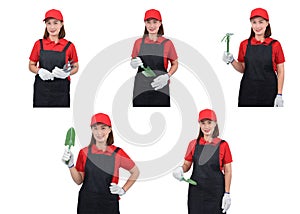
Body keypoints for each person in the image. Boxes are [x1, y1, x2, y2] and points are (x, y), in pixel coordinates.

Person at [62, 113, 140, 214]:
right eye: (95, 128)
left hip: (109, 205)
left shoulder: (118, 153)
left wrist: (123, 190)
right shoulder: (84, 152)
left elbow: (135, 172)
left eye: (103, 128)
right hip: (87, 204)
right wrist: (71, 165)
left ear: (109, 129)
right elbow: (79, 181)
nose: (99, 132)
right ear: (91, 130)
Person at [173, 109, 232, 214]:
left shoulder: (223, 145)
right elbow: (187, 164)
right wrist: (180, 169)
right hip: (196, 192)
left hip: (216, 192)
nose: (206, 126)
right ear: (199, 124)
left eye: (209, 122)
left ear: (215, 123)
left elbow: (228, 171)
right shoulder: (193, 144)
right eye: (203, 123)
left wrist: (227, 193)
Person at [223, 8, 285, 107]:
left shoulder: (275, 45)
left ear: (267, 23)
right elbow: (242, 69)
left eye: (261, 22)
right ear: (251, 24)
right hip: (248, 92)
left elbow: (280, 71)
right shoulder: (244, 44)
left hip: (269, 92)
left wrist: (279, 94)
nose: (257, 26)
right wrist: (232, 60)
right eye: (254, 22)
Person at [29, 9, 79, 107]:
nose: (52, 27)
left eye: (55, 23)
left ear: (61, 24)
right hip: (41, 92)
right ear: (46, 25)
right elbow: (31, 65)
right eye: (49, 23)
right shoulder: (39, 44)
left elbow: (75, 66)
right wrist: (39, 71)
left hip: (61, 92)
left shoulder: (69, 46)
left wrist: (67, 73)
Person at [130, 9, 178, 107]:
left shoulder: (167, 43)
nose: (151, 26)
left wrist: (167, 76)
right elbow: (133, 60)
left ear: (160, 23)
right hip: (141, 88)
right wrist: (133, 63)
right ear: (145, 23)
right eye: (148, 22)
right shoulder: (138, 42)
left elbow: (175, 63)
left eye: (155, 22)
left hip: (161, 85)